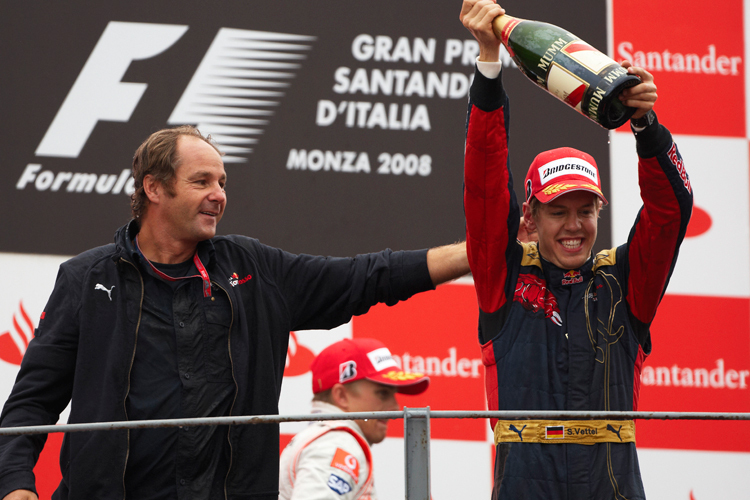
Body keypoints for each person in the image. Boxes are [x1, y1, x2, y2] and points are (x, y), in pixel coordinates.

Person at [0, 125, 469, 500]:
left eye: (222, 182)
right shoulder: (86, 279)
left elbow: (369, 275)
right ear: (154, 189)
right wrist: (16, 482)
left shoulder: (253, 269)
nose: (219, 194)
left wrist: (477, 254)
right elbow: (31, 401)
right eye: (201, 181)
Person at [460, 1, 693, 499]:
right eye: (557, 210)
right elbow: (483, 185)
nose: (574, 225)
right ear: (531, 217)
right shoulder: (502, 276)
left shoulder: (625, 281)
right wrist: (487, 68)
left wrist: (646, 127)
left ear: (598, 214)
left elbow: (671, 213)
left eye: (585, 210)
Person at [279, 338, 428, 500]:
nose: (395, 407)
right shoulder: (337, 444)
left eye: (393, 394)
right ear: (341, 396)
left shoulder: (325, 438)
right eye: (383, 393)